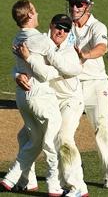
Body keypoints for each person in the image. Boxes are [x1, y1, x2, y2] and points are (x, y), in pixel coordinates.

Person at [13, 14, 89, 196]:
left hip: (70, 100)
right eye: (58, 27)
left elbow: (46, 73)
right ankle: (26, 181)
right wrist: (16, 75)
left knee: (63, 137)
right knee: (25, 135)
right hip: (50, 100)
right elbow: (20, 64)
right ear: (51, 25)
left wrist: (30, 59)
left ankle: (77, 186)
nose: (61, 32)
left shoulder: (69, 52)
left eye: (66, 29)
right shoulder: (40, 42)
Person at [0, 0, 67, 196]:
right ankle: (54, 186)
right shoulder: (41, 40)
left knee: (35, 141)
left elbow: (22, 68)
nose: (37, 14)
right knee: (50, 140)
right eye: (35, 11)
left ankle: (10, 178)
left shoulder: (16, 38)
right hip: (40, 97)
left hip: (23, 98)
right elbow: (46, 74)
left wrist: (17, 75)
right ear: (29, 15)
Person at [66, 0, 108, 189]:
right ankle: (74, 171)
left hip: (96, 85)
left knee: (102, 128)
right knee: (65, 132)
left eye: (79, 4)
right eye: (72, 4)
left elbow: (102, 48)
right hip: (71, 86)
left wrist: (85, 55)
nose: (74, 8)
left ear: (88, 6)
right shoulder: (65, 25)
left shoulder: (98, 26)